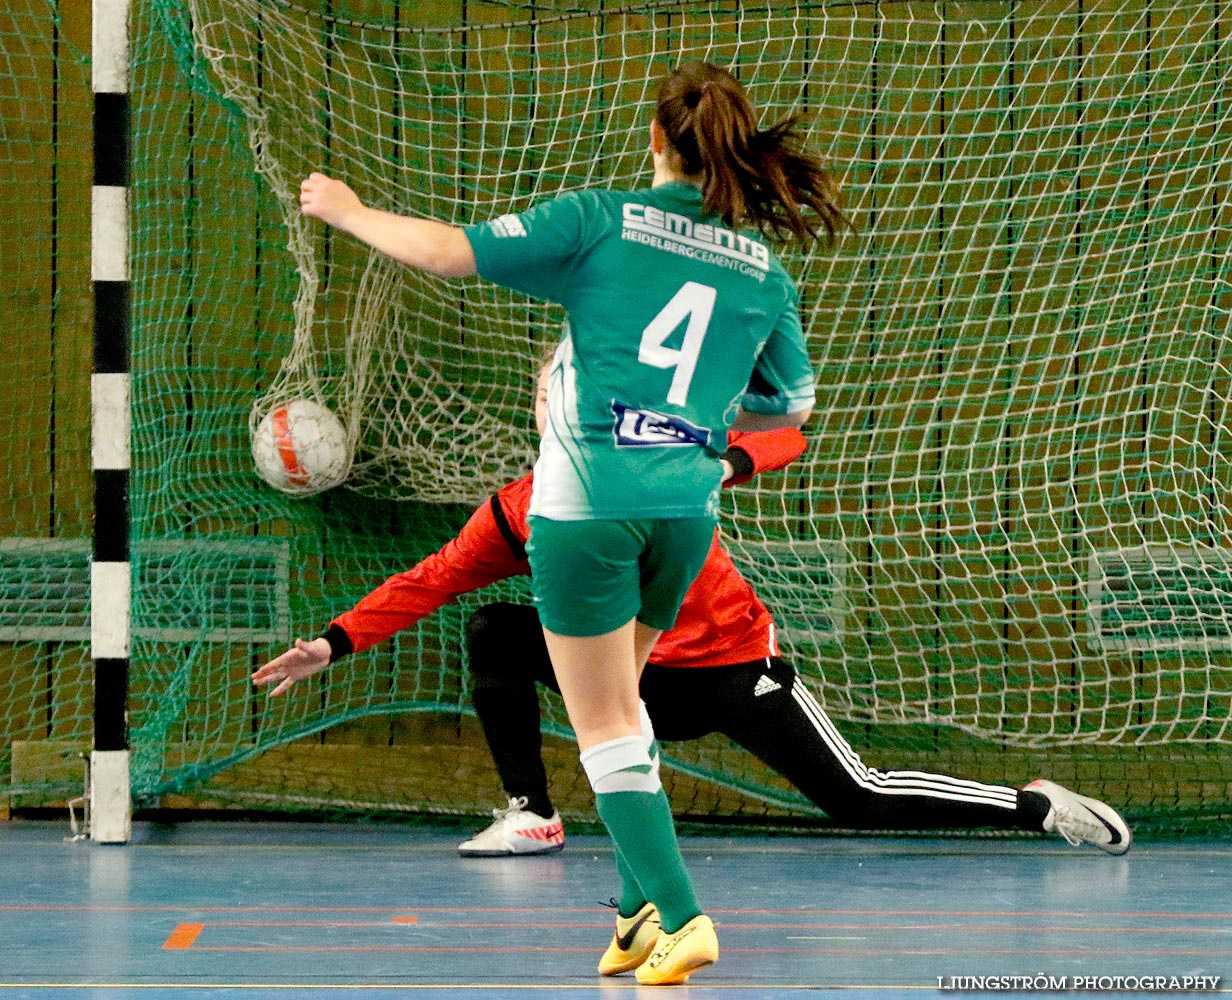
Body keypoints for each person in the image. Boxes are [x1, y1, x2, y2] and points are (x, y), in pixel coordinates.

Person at [295, 61, 851, 984]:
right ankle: (635, 913)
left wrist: (349, 209)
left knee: (602, 730)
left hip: (587, 509)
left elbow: (443, 250)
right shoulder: (763, 267)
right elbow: (790, 401)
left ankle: (684, 917)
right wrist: (703, 415)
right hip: (685, 511)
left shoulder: (604, 218)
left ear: (657, 142)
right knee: (627, 715)